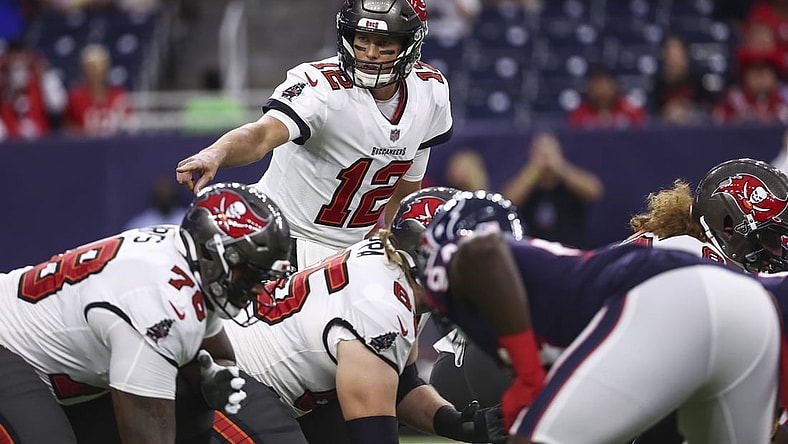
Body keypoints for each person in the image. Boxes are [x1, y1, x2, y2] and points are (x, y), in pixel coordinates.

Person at [417, 190, 781, 443]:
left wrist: (528, 376)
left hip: (677, 301)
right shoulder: (541, 271)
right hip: (750, 312)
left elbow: (484, 252)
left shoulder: (458, 256)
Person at [206, 187, 506, 444]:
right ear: (426, 255)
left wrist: (458, 424)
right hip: (226, 378)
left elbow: (402, 385)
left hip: (252, 376)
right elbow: (374, 433)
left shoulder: (391, 273)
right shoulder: (382, 308)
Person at [0, 182, 293, 443]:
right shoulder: (158, 300)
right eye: (250, 275)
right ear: (215, 256)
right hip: (8, 343)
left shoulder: (191, 265)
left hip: (54, 368)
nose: (257, 289)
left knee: (189, 395)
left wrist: (214, 377)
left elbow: (218, 356)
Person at [175, 0, 453, 272]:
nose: (370, 52)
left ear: (410, 43)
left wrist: (397, 253)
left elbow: (404, 195)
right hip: (284, 239)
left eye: (384, 43)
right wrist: (215, 153)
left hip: (355, 254)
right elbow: (260, 135)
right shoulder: (320, 87)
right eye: (362, 39)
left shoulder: (431, 91)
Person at [501, 131, 603, 249]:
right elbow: (506, 203)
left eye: (550, 152)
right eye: (540, 153)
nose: (546, 158)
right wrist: (533, 171)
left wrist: (560, 168)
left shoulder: (571, 183)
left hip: (570, 254)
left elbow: (594, 192)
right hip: (534, 254)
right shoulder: (527, 184)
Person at [63, 43, 136, 136]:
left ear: (106, 68)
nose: (95, 72)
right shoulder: (76, 98)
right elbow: (69, 129)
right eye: (91, 68)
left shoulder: (119, 96)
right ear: (84, 69)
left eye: (99, 67)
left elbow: (131, 126)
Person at [650, 34, 716, 125]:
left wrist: (688, 110)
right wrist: (667, 112)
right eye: (670, 55)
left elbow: (709, 110)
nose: (673, 61)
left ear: (685, 57)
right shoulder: (658, 86)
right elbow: (652, 116)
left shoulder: (697, 82)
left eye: (677, 55)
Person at [567, 65, 647, 129]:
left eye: (606, 86)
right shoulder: (578, 114)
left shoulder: (631, 112)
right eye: (598, 86)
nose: (602, 91)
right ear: (589, 89)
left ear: (615, 87)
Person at [123, 175, 189, 230]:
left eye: (167, 194)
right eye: (161, 194)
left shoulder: (187, 220)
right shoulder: (140, 224)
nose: (165, 198)